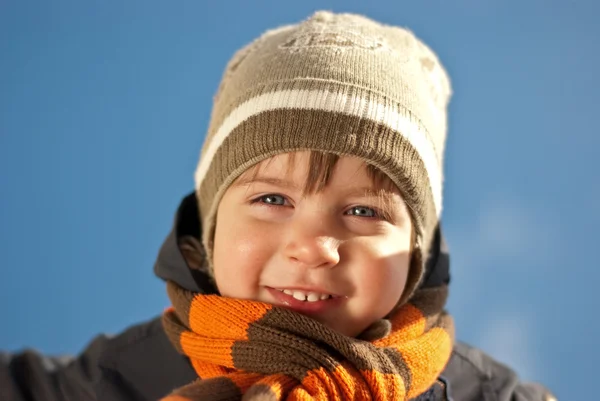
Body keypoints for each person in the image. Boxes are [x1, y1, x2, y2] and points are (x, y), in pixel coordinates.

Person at [0, 11, 555, 401]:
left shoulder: (489, 395)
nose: (313, 248)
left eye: (363, 211)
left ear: (417, 250)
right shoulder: (114, 381)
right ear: (211, 228)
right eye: (272, 199)